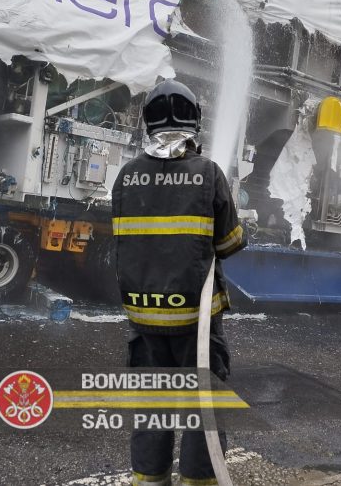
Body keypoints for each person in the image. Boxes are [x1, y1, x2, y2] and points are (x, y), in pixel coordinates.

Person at [112, 79, 246, 486]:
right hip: (196, 322)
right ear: (195, 123)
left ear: (147, 123)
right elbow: (230, 244)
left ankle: (149, 480)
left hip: (144, 321)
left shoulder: (126, 177)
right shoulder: (208, 175)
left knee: (155, 406)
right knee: (201, 406)